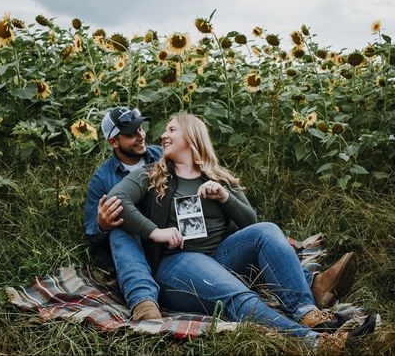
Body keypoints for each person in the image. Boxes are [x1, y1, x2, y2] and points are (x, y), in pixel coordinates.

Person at [106, 113, 375, 349]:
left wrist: (224, 197)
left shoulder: (218, 176)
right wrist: (156, 232)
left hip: (223, 257)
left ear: (192, 136)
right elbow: (116, 200)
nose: (163, 135)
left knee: (268, 230)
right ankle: (312, 341)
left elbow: (251, 221)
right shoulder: (153, 174)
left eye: (172, 129)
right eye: (165, 130)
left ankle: (306, 310)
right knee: (238, 295)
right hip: (178, 265)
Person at [83, 106, 165, 320]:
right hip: (133, 248)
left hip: (167, 235)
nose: (140, 136)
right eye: (130, 134)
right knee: (120, 227)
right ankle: (144, 303)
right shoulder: (102, 178)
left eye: (141, 129)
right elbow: (92, 233)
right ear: (113, 142)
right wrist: (102, 224)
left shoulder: (163, 156)